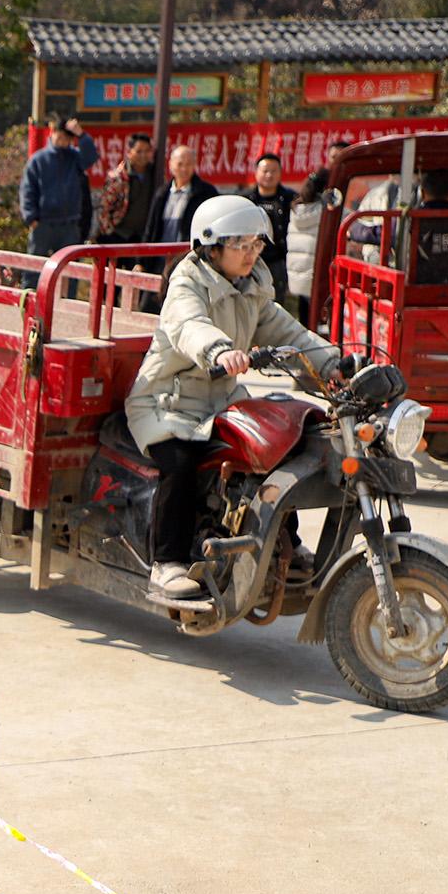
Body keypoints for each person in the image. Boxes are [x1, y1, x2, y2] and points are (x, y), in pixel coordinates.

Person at [125, 195, 336, 599]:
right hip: (168, 401)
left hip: (221, 398)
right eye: (241, 245)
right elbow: (189, 325)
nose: (251, 253)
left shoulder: (251, 287)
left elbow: (288, 332)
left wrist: (334, 362)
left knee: (279, 446)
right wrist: (219, 351)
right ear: (211, 247)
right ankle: (166, 563)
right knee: (180, 464)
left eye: (256, 244)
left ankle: (284, 542)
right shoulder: (186, 284)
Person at [20, 114, 97, 257]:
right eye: (60, 137)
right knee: (36, 265)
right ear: (52, 133)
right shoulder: (38, 159)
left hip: (69, 223)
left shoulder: (75, 157)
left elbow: (91, 158)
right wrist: (31, 217)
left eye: (67, 139)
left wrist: (81, 135)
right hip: (43, 222)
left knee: (69, 266)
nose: (62, 142)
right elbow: (28, 189)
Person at [242, 153, 296, 309]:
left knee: (277, 304)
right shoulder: (246, 199)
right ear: (256, 172)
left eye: (274, 171)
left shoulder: (290, 199)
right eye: (265, 171)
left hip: (279, 261)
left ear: (280, 173)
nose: (269, 175)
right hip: (251, 259)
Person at [146, 144, 218, 246]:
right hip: (161, 252)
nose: (184, 169)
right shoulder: (162, 193)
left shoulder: (206, 192)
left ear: (194, 165)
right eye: (180, 164)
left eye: (188, 164)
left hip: (189, 252)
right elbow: (151, 228)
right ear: (171, 165)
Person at [96, 132, 155, 247]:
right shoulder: (118, 177)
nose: (143, 155)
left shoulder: (155, 174)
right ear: (129, 152)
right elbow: (105, 207)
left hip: (143, 235)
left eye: (147, 151)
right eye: (139, 151)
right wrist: (108, 231)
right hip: (118, 234)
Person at [286, 169, 330, 322]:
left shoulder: (296, 208)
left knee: (304, 320)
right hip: (316, 277)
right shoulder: (326, 211)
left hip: (298, 278)